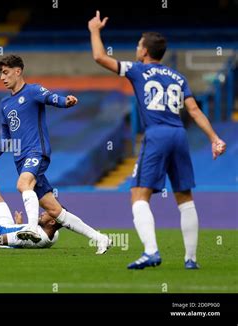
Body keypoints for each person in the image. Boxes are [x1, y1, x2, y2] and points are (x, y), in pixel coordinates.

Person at [88, 11, 226, 269]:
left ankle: (151, 251)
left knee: (138, 195)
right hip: (179, 135)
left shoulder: (138, 70)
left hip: (157, 134)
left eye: (139, 45)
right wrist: (214, 138)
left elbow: (99, 57)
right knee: (185, 197)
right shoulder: (178, 77)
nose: (136, 48)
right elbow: (194, 111)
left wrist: (95, 30)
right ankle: (191, 259)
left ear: (145, 51)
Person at [0, 55, 111, 250]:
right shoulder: (5, 104)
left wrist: (65, 101)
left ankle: (31, 228)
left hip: (37, 152)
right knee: (55, 210)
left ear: (18, 71)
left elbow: (52, 98)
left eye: (5, 72)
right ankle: (100, 238)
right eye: (1, 73)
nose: (2, 77)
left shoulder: (33, 91)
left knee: (22, 184)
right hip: (21, 160)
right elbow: (7, 136)